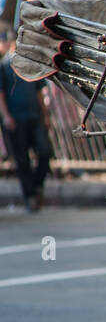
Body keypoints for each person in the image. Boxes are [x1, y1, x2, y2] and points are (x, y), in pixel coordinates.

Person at [0, 31, 52, 213]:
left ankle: (37, 186)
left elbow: (39, 91)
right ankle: (30, 197)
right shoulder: (4, 66)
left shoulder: (31, 64)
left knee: (45, 152)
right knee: (22, 160)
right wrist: (6, 116)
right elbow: (1, 95)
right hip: (15, 118)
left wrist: (45, 115)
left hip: (34, 115)